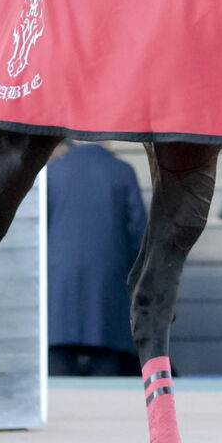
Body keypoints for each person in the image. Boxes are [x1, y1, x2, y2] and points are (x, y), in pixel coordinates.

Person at [46, 140, 148, 377]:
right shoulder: (122, 171)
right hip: (109, 281)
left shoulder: (53, 171)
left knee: (58, 361)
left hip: (59, 282)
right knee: (107, 360)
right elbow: (138, 233)